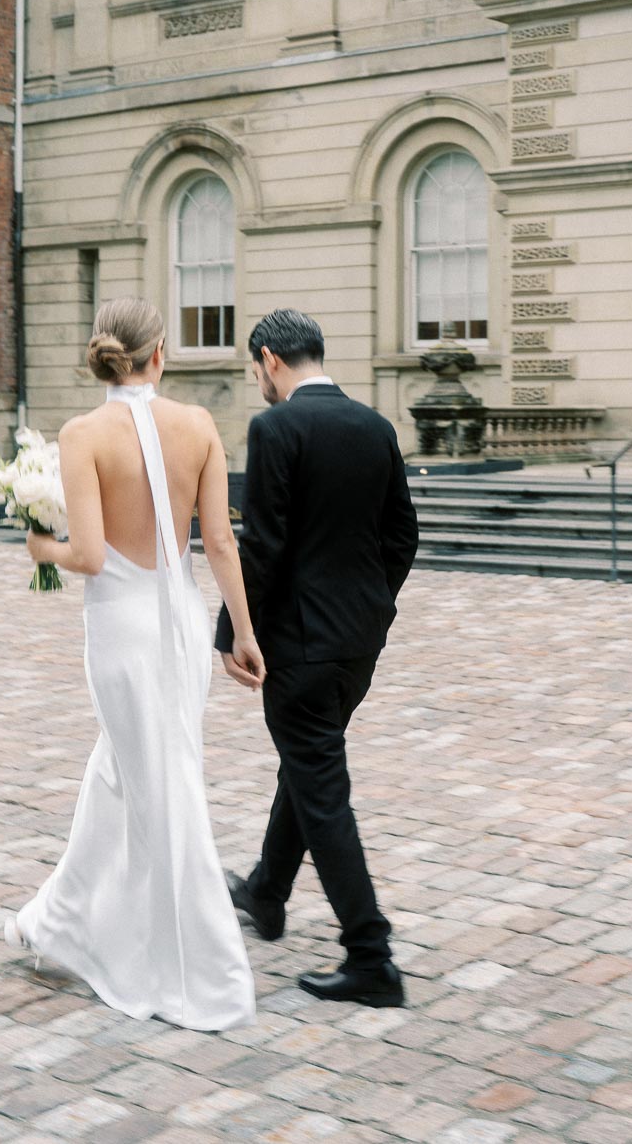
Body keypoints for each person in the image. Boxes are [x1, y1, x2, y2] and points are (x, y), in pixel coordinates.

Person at [5, 297, 264, 1031]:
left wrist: (39, 549)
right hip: (181, 623)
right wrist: (242, 632)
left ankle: (199, 966)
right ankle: (59, 919)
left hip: (120, 628)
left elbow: (85, 554)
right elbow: (218, 542)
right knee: (129, 771)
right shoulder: (201, 426)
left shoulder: (84, 433)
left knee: (159, 780)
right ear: (160, 357)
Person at [217, 309, 418, 1008]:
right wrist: (371, 606)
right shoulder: (376, 427)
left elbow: (262, 544)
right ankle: (267, 892)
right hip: (358, 642)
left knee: (321, 790)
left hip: (298, 644)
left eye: (254, 370)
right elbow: (402, 537)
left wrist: (231, 633)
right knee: (311, 761)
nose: (258, 383)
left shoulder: (276, 428)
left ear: (270, 359)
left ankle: (372, 957)